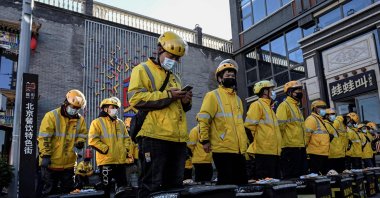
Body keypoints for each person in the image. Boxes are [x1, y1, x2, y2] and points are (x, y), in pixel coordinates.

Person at [128, 31, 192, 197]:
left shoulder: (175, 77)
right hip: (154, 137)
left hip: (177, 140)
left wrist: (185, 101)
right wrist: (169, 95)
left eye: (178, 58)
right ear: (159, 50)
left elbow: (176, 108)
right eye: (172, 56)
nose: (174, 61)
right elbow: (136, 99)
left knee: (174, 188)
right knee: (151, 186)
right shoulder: (142, 70)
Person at [197, 59, 248, 185]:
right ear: (220, 79)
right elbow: (203, 119)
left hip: (240, 150)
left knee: (242, 184)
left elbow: (239, 124)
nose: (231, 77)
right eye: (227, 75)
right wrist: (205, 140)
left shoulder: (238, 100)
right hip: (222, 149)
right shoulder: (212, 95)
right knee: (226, 185)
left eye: (232, 75)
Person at [38, 89, 87, 196]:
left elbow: (83, 134)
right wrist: (45, 155)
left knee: (68, 193)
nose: (75, 110)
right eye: (73, 107)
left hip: (69, 165)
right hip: (51, 163)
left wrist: (80, 142)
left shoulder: (80, 120)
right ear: (66, 103)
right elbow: (44, 138)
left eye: (77, 108)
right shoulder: (51, 116)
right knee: (49, 192)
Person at [88, 97, 133, 197]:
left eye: (116, 107)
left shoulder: (121, 123)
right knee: (106, 190)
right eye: (112, 107)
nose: (115, 109)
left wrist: (125, 150)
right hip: (106, 162)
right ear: (105, 108)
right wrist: (106, 150)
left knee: (122, 189)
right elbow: (93, 140)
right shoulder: (97, 122)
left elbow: (127, 138)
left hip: (120, 161)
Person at [245, 80, 282, 179]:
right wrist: (255, 143)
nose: (273, 91)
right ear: (264, 91)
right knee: (265, 182)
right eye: (271, 89)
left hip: (274, 151)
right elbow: (248, 127)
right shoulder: (257, 105)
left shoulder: (269, 108)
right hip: (263, 152)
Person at [276, 81, 307, 179]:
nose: (299, 92)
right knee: (291, 175)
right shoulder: (284, 106)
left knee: (301, 174)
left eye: (300, 89)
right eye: (297, 90)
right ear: (289, 92)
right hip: (289, 147)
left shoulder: (297, 107)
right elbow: (280, 126)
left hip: (300, 146)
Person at [305, 100, 330, 175]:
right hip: (315, 153)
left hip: (323, 153)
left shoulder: (321, 120)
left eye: (324, 108)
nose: (323, 109)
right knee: (315, 176)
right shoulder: (311, 119)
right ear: (314, 108)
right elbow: (306, 135)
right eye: (321, 108)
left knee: (324, 176)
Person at [325, 108, 346, 173]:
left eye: (334, 114)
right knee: (333, 174)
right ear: (326, 116)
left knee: (340, 174)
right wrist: (339, 118)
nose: (333, 115)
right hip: (332, 155)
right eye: (331, 114)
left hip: (339, 154)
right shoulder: (326, 124)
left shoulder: (331, 125)